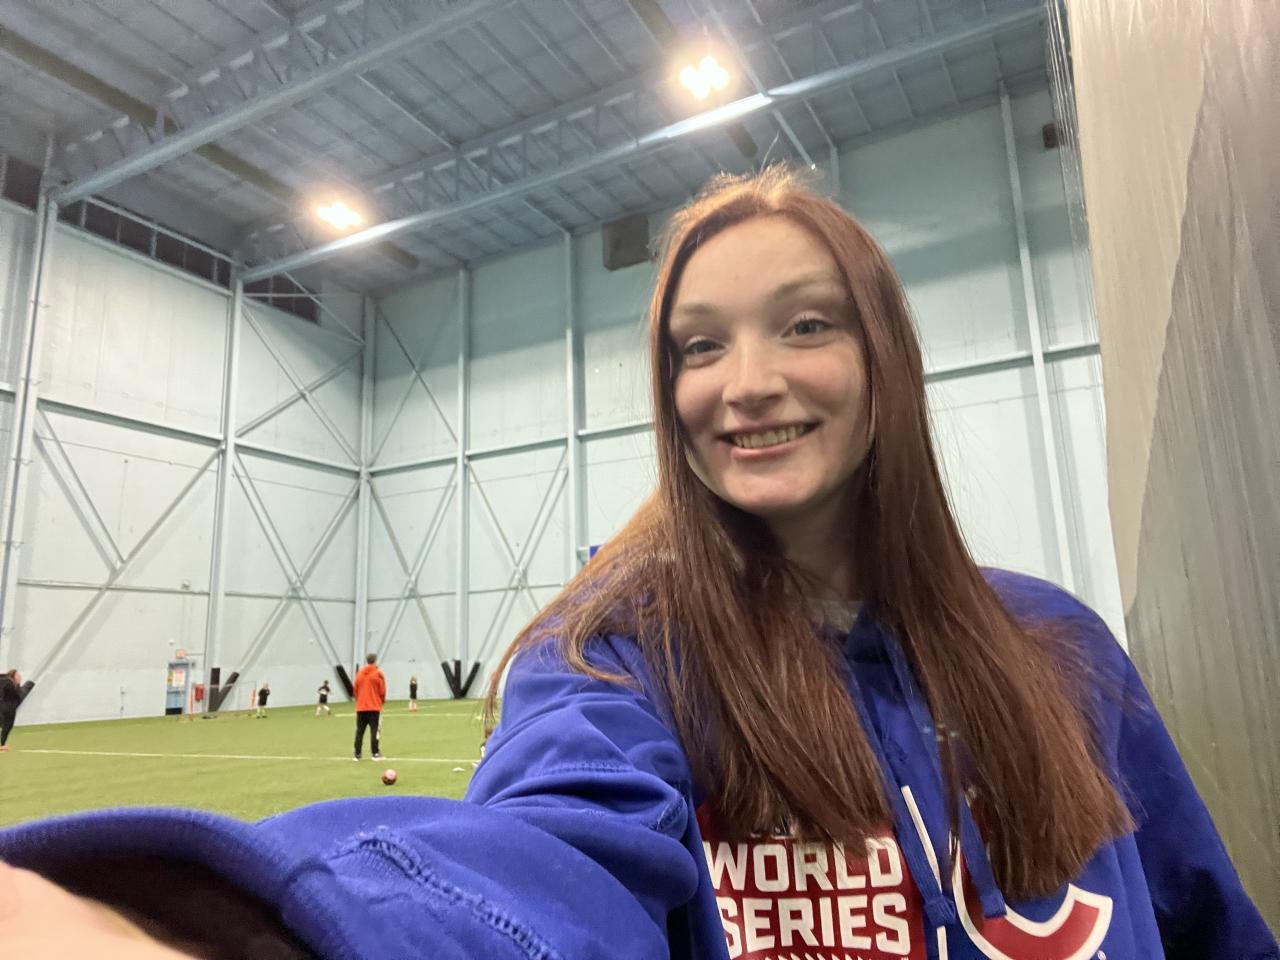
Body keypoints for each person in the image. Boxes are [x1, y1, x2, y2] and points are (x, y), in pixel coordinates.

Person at [0, 170, 1274, 959]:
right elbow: (554, 863)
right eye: (697, 346)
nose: (745, 382)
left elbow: (1210, 928)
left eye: (804, 324)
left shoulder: (1060, 650)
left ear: (885, 358)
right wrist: (217, 933)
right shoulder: (613, 661)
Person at [352, 653, 385, 761]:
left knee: (359, 731)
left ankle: (357, 754)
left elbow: (355, 691)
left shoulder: (359, 674)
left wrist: (359, 701)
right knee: (375, 730)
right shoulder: (378, 673)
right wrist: (381, 702)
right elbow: (382, 691)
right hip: (374, 707)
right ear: (375, 660)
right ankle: (375, 753)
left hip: (361, 707)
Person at [0, 669, 33, 752]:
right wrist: (19, 684)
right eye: (17, 675)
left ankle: (2, 745)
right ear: (13, 676)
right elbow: (17, 693)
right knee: (7, 726)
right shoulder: (9, 682)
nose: (19, 676)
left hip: (8, 707)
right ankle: (2, 745)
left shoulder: (10, 682)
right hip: (8, 708)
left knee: (6, 726)